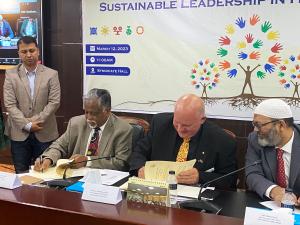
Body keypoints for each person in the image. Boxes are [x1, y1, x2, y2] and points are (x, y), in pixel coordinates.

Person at [130, 94, 237, 188]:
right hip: (158, 191)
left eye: (186, 125)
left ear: (202, 120)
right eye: (176, 123)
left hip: (195, 201)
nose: (180, 129)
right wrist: (140, 168)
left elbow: (229, 179)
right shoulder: (160, 124)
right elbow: (139, 151)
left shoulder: (222, 140)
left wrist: (200, 177)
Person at [34, 88, 133, 172]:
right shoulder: (76, 123)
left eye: (94, 113)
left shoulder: (123, 129)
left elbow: (121, 163)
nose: (88, 118)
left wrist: (87, 161)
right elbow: (59, 146)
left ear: (107, 111)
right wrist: (49, 159)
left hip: (103, 181)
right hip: (74, 177)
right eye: (86, 112)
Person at [3, 36, 60, 173]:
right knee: (21, 174)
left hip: (45, 131)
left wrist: (34, 122)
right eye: (24, 52)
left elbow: (54, 102)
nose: (28, 55)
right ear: (18, 54)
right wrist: (27, 125)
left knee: (46, 174)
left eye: (31, 50)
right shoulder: (11, 75)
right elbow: (10, 105)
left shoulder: (51, 74)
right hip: (19, 133)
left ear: (38, 51)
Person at [245, 99, 300, 205]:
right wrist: (273, 190)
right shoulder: (255, 139)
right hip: (269, 207)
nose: (256, 130)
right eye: (254, 124)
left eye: (259, 125)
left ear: (280, 125)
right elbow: (252, 173)